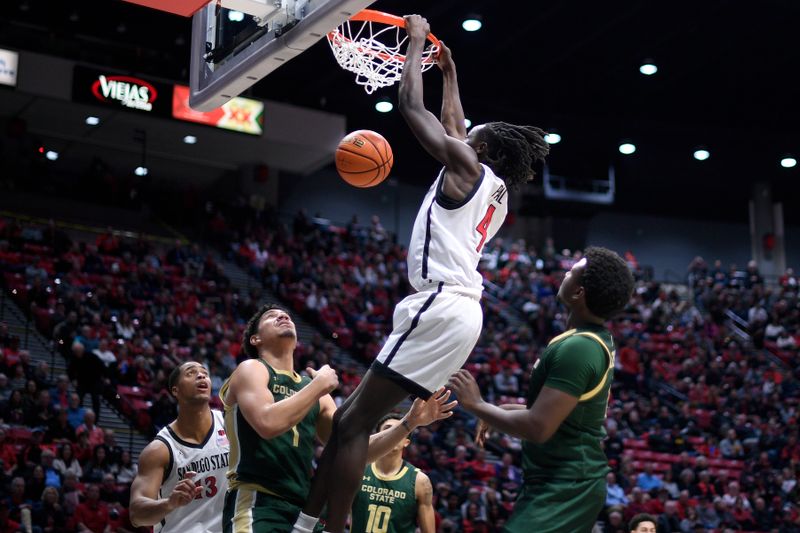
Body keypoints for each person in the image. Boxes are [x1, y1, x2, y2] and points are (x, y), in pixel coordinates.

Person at [295, 16, 549, 533]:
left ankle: (333, 529)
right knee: (347, 423)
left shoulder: (467, 166)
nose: (463, 129)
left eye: (472, 135)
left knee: (354, 423)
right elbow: (457, 126)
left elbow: (413, 108)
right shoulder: (494, 192)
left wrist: (413, 43)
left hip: (440, 304)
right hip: (461, 312)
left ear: (481, 150)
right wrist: (449, 72)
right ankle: (307, 525)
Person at [448, 247, 635, 532]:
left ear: (578, 293)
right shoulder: (587, 340)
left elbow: (539, 427)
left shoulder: (580, 347)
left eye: (572, 272)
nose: (565, 273)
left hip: (567, 484)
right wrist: (499, 413)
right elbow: (561, 416)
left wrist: (477, 405)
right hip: (556, 481)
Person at [224, 304, 454, 533]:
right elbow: (267, 423)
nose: (283, 315)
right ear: (255, 339)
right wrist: (318, 387)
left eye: (286, 315)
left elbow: (355, 448)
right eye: (271, 317)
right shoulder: (252, 369)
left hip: (301, 508)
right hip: (257, 500)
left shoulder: (311, 388)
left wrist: (409, 423)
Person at [129, 361, 229, 533]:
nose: (201, 375)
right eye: (191, 373)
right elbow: (136, 515)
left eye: (205, 373)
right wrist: (169, 503)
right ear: (175, 390)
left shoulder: (230, 425)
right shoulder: (160, 450)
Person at [350, 414, 435, 533]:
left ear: (406, 442)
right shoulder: (357, 471)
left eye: (400, 430)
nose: (394, 435)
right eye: (388, 429)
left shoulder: (420, 481)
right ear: (378, 436)